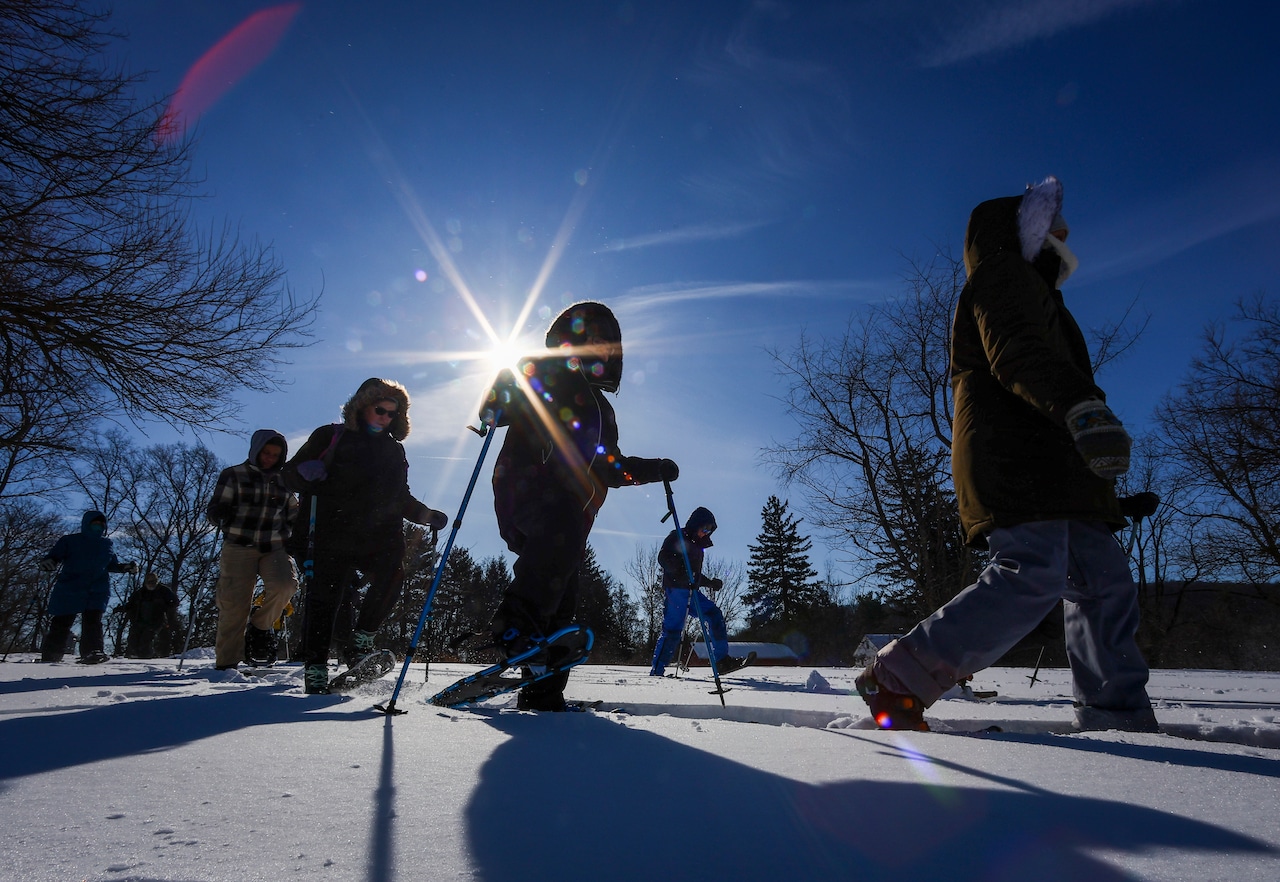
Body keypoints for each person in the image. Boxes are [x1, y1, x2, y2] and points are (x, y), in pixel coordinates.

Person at [855, 175, 1157, 733]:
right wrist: (1083, 410)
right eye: (1052, 227)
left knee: (1104, 581)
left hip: (1055, 464)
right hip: (1012, 455)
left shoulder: (1042, 292)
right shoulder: (1001, 275)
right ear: (1028, 232)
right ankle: (899, 677)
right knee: (1033, 571)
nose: (1065, 237)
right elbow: (1014, 352)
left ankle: (1118, 714)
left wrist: (1103, 486)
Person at [481, 301, 678, 711]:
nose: (600, 349)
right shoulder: (546, 373)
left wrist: (652, 469)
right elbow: (496, 410)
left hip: (571, 516)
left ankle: (542, 691)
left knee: (562, 597)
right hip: (531, 491)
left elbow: (610, 469)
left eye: (608, 344)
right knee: (559, 546)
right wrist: (505, 388)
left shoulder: (602, 409)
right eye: (591, 339)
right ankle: (513, 627)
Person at [283, 378, 448, 695]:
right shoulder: (331, 436)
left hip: (377, 535)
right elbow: (288, 476)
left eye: (392, 413)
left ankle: (361, 641)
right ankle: (316, 670)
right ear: (362, 406)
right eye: (380, 409)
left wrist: (426, 515)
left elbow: (401, 497)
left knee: (392, 575)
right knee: (324, 602)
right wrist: (305, 473)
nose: (386, 417)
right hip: (331, 532)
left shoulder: (393, 450)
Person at [206, 429, 299, 670]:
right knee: (234, 605)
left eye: (276, 455)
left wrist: (299, 534)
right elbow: (215, 508)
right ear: (256, 450)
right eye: (266, 453)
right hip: (239, 545)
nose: (270, 458)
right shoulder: (233, 475)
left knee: (285, 585)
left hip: (274, 547)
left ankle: (260, 626)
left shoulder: (284, 481)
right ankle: (226, 664)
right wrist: (219, 515)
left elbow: (294, 513)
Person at [649, 506, 749, 676]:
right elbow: (663, 557)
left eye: (709, 530)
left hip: (691, 592)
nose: (706, 533)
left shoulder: (698, 546)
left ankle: (721, 660)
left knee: (714, 614)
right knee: (673, 629)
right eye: (704, 528)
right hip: (676, 590)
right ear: (696, 525)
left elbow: (694, 575)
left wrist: (710, 583)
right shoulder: (678, 536)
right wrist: (676, 568)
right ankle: (657, 671)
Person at [39, 510, 139, 663]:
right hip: (71, 586)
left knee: (93, 621)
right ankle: (51, 654)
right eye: (95, 523)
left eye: (101, 524)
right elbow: (55, 556)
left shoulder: (106, 544)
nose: (98, 526)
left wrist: (125, 567)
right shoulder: (70, 541)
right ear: (87, 524)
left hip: (97, 588)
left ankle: (93, 652)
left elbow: (111, 564)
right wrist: (50, 561)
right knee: (62, 621)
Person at [122, 571, 182, 658]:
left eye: (153, 582)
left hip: (157, 619)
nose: (151, 584)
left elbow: (175, 601)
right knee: (134, 637)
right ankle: (136, 654)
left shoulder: (164, 591)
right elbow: (131, 604)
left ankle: (146, 655)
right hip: (140, 619)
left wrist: (167, 607)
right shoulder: (140, 593)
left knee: (147, 636)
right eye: (149, 582)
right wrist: (123, 608)